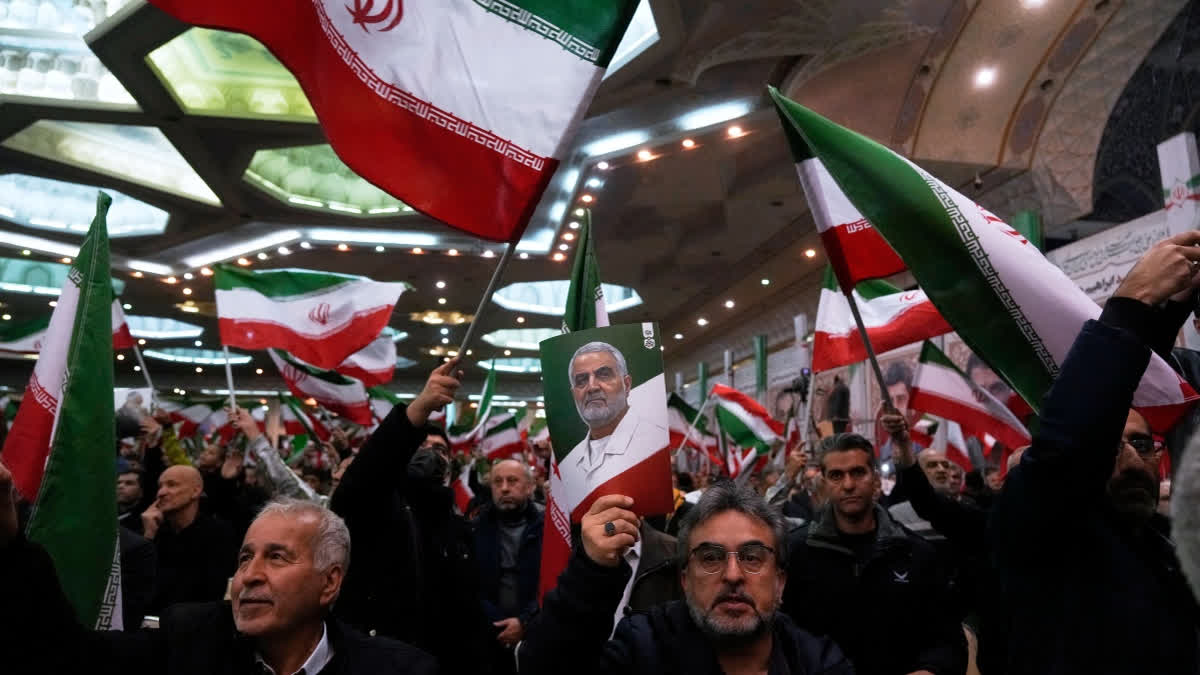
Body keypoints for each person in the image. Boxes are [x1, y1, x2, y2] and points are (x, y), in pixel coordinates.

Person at [990, 231, 1200, 674]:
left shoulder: (1164, 549)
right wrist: (1132, 303)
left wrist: (1170, 311)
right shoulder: (1044, 534)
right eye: (1110, 446)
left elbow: (1124, 399)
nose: (1128, 462)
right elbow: (1073, 443)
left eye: (1141, 444)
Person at [0, 469, 437, 675]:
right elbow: (64, 654)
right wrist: (9, 543)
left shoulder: (398, 670)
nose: (249, 575)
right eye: (245, 558)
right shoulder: (187, 642)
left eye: (277, 557)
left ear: (330, 582)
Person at [517, 482, 853, 675]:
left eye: (752, 558)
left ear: (780, 581)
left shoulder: (817, 663)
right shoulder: (642, 649)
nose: (733, 575)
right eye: (710, 558)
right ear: (684, 579)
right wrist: (591, 571)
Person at [331, 358, 491, 674]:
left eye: (440, 450)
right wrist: (419, 408)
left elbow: (468, 604)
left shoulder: (457, 525)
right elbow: (363, 478)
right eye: (423, 446)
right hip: (383, 658)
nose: (432, 455)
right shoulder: (377, 503)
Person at [783, 433, 966, 675]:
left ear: (876, 479)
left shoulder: (916, 553)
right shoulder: (796, 553)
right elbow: (778, 637)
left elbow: (948, 640)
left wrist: (930, 669)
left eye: (858, 472)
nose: (848, 484)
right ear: (825, 483)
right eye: (836, 475)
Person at [560, 341, 668, 516]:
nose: (592, 387)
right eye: (581, 380)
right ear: (574, 394)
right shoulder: (568, 464)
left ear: (627, 384)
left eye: (603, 375)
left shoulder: (657, 444)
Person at [473, 458, 544, 674]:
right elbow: (469, 584)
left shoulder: (549, 528)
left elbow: (555, 581)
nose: (504, 488)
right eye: (497, 482)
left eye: (512, 481)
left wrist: (525, 623)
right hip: (488, 638)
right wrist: (497, 623)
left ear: (530, 486)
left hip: (537, 637)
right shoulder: (475, 528)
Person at [141, 464, 237, 615]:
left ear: (196, 491)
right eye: (160, 486)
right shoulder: (154, 531)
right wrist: (148, 536)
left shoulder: (218, 534)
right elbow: (140, 587)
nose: (161, 492)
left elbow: (212, 593)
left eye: (171, 485)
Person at [117, 463, 145, 532]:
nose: (120, 486)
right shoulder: (107, 513)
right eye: (118, 483)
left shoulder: (143, 520)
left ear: (141, 491)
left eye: (129, 483)